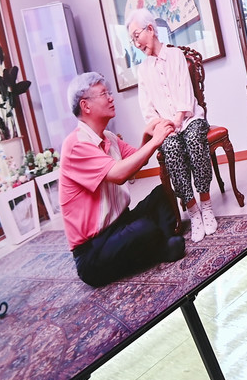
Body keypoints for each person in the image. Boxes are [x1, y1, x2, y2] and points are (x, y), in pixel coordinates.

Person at [59, 72, 189, 288]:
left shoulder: (108, 138)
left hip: (120, 223)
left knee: (162, 193)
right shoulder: (75, 145)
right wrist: (155, 141)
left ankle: (158, 243)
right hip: (93, 251)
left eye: (109, 93)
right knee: (143, 228)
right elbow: (119, 175)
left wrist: (147, 138)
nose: (111, 98)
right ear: (86, 106)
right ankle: (160, 244)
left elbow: (136, 160)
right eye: (104, 94)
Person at [125, 8, 217, 238]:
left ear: (150, 29)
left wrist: (177, 120)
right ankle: (193, 211)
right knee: (173, 148)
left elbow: (186, 96)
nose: (135, 43)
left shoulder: (176, 55)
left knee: (195, 139)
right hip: (166, 127)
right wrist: (164, 126)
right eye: (131, 39)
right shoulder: (143, 70)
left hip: (189, 118)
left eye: (136, 36)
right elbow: (147, 111)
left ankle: (206, 204)